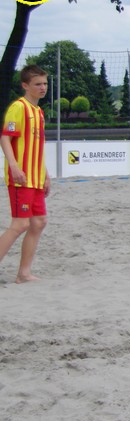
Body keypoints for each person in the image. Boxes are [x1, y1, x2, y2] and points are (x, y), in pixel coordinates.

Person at [0, 64, 50, 283]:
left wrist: (45, 174)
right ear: (25, 86)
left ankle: (23, 273)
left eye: (45, 83)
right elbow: (5, 138)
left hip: (35, 178)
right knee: (20, 224)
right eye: (37, 84)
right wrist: (14, 166)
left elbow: (37, 147)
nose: (43, 87)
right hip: (21, 178)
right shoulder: (19, 108)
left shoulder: (39, 112)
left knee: (39, 222)